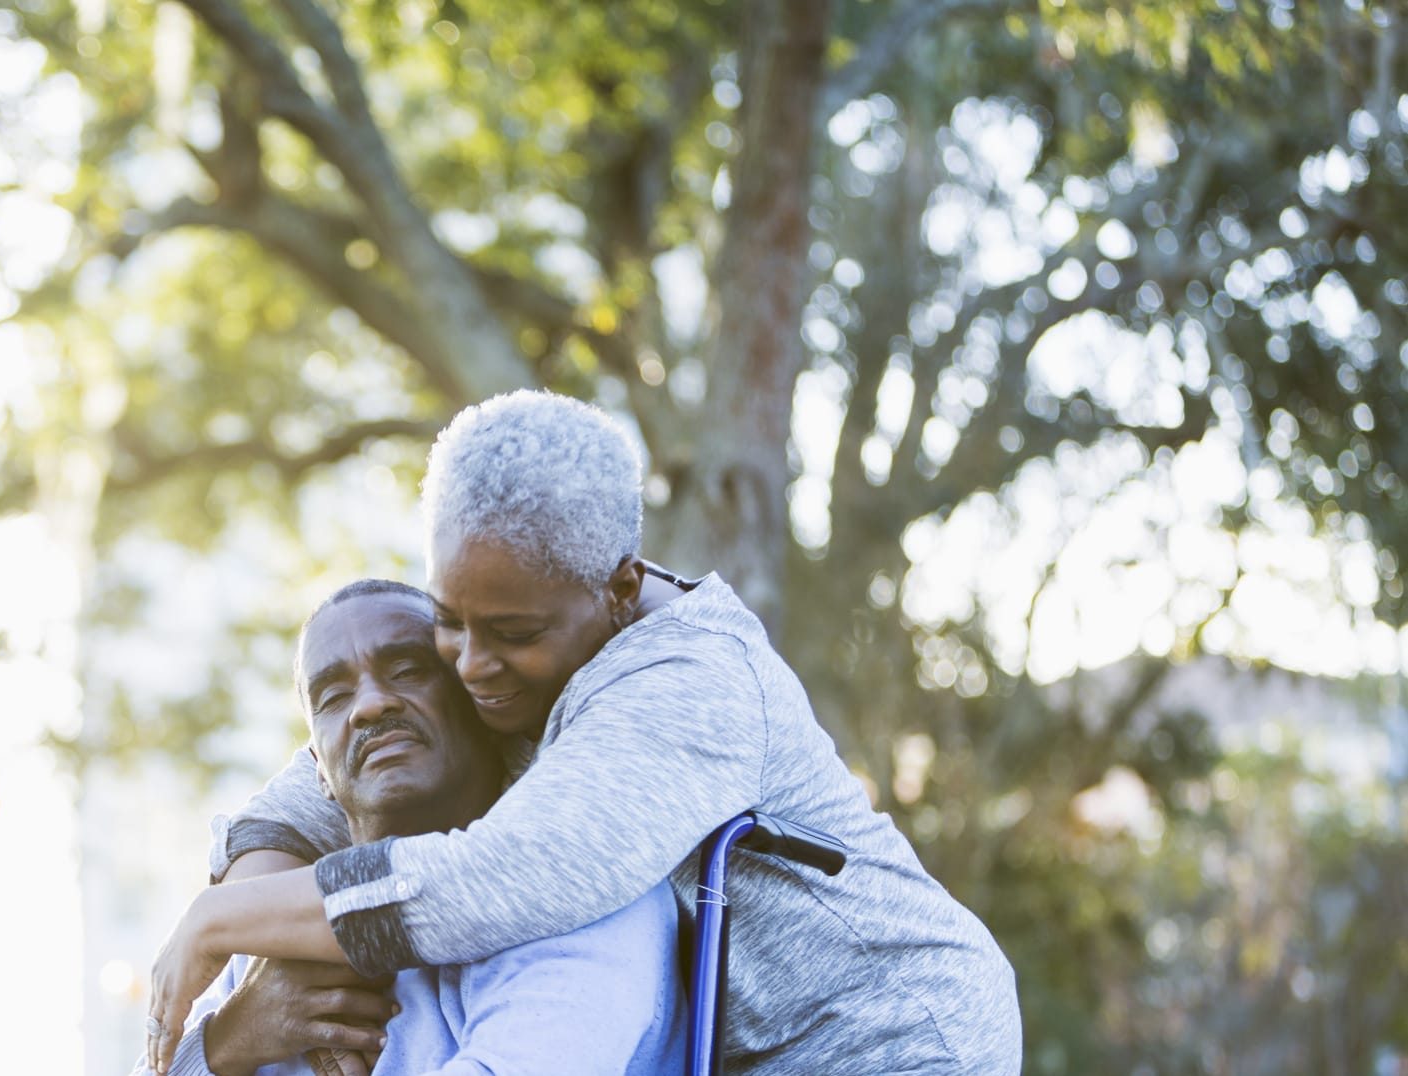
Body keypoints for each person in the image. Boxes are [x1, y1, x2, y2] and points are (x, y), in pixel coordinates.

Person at [146, 391, 1022, 1075]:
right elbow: (311, 787)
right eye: (447, 623)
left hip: (890, 1037)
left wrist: (222, 923)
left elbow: (491, 881)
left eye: (513, 635)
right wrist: (240, 999)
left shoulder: (687, 686)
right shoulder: (487, 649)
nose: (471, 665)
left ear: (617, 589)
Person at [141, 579, 688, 1076]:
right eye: (334, 697)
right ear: (319, 775)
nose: (372, 704)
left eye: (407, 671)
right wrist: (227, 1042)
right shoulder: (273, 932)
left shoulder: (579, 883)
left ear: (483, 705)